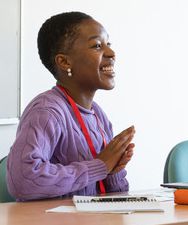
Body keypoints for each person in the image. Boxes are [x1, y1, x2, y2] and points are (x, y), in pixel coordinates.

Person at [6, 11, 136, 201]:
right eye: (97, 46)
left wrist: (112, 171)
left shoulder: (98, 115)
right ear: (65, 62)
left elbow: (112, 198)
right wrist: (100, 166)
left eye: (109, 44)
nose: (111, 53)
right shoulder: (47, 111)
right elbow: (23, 180)